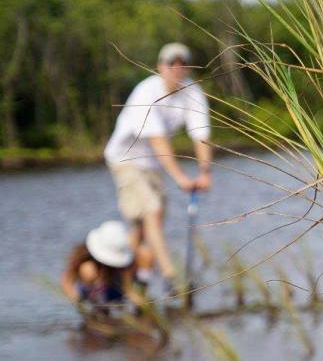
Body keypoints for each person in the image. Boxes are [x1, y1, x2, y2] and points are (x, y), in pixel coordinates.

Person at [103, 42, 212, 296]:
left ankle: (129, 281)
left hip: (152, 165)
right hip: (125, 160)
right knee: (153, 212)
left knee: (143, 228)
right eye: (170, 63)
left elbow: (201, 134)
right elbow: (158, 141)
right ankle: (171, 278)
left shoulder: (192, 92)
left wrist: (205, 172)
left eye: (182, 63)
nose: (177, 68)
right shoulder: (146, 92)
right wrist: (181, 177)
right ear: (160, 67)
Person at [61, 220, 152, 318]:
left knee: (145, 254)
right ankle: (100, 309)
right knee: (88, 270)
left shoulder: (124, 263)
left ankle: (142, 293)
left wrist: (139, 300)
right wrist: (78, 301)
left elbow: (128, 287)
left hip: (117, 287)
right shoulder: (86, 262)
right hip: (95, 292)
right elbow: (66, 280)